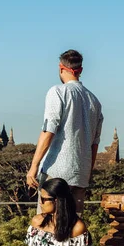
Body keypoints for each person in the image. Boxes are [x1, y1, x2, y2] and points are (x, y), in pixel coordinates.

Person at [26, 49, 103, 215]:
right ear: (80, 70)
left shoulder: (58, 92)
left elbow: (48, 131)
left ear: (61, 68)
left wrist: (34, 166)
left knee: (47, 224)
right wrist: (87, 173)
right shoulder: (94, 101)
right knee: (74, 226)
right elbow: (94, 143)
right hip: (80, 172)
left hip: (56, 170)